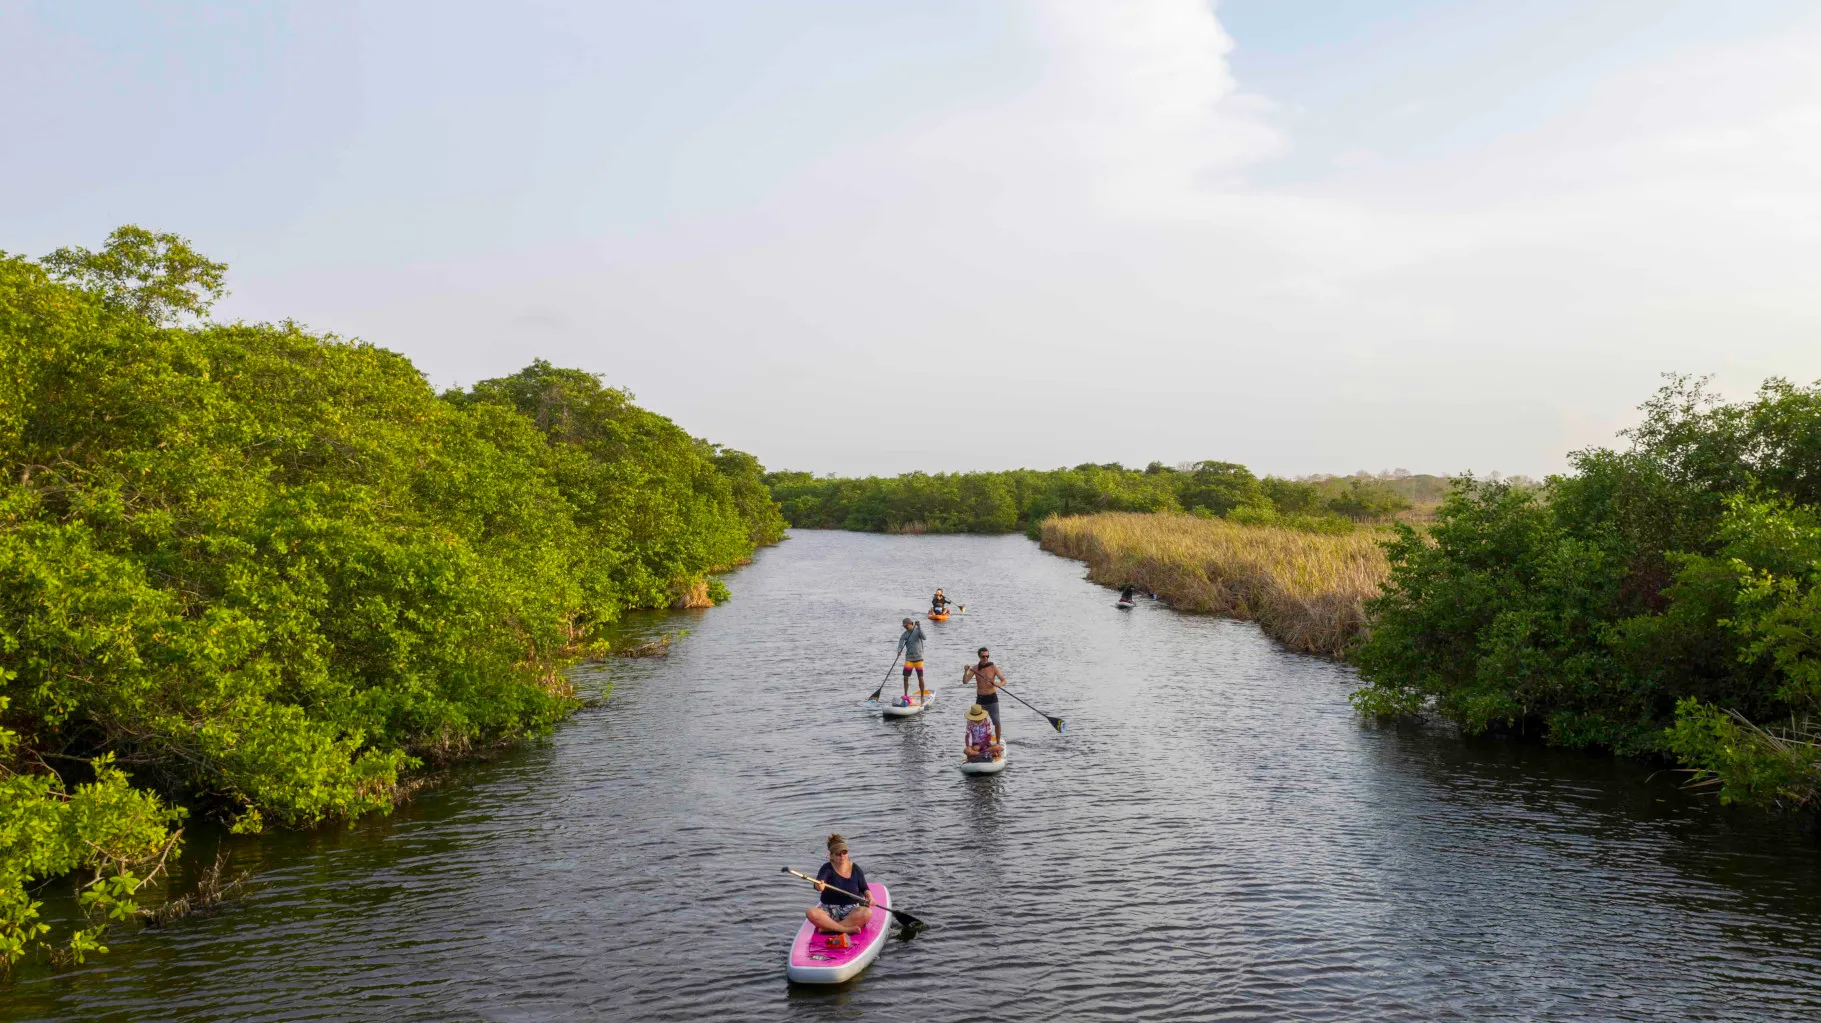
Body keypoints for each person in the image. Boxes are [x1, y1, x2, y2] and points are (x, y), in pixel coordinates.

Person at [806, 833, 872, 945]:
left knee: (866, 913)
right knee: (811, 913)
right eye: (838, 854)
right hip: (829, 910)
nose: (842, 856)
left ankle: (829, 928)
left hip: (851, 911)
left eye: (844, 852)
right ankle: (846, 929)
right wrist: (820, 886)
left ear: (847, 853)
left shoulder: (855, 868)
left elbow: (864, 888)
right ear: (831, 855)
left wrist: (869, 897)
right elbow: (818, 884)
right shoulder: (826, 868)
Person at [962, 646, 1007, 741]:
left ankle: (998, 742)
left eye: (987, 656)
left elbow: (1004, 681)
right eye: (983, 656)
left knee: (997, 722)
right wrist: (965, 671)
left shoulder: (994, 668)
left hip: (992, 698)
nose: (986, 658)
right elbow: (965, 681)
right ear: (979, 657)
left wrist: (998, 684)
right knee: (977, 722)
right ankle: (979, 742)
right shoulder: (975, 669)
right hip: (980, 699)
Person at [895, 617, 927, 704]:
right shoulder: (905, 634)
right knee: (905, 678)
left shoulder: (917, 630)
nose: (905, 627)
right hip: (909, 659)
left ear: (911, 623)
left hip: (919, 659)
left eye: (906, 626)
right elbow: (900, 642)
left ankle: (922, 696)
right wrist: (899, 650)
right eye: (904, 626)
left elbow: (924, 637)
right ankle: (905, 695)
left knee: (920, 678)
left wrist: (919, 627)